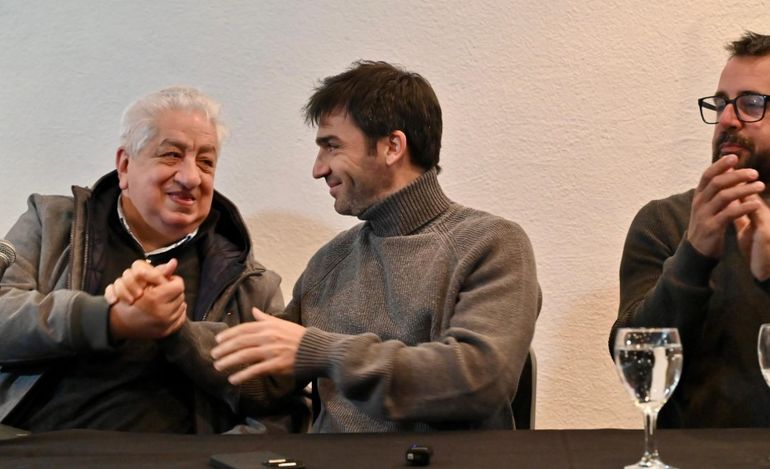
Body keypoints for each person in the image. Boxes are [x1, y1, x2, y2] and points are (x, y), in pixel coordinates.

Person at [212, 61, 541, 432]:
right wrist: (171, 330)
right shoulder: (331, 260)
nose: (318, 169)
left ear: (392, 147)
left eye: (332, 147)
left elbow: (478, 381)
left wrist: (323, 352)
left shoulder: (491, 243)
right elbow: (262, 383)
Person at [0, 87, 302, 434]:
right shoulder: (51, 223)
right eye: (172, 155)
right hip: (36, 446)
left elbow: (278, 404)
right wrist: (106, 320)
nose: (191, 177)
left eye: (206, 162)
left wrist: (178, 332)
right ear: (125, 166)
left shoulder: (252, 283)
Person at [611, 31, 770, 427]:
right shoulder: (664, 222)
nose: (727, 120)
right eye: (720, 105)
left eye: (751, 104)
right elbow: (638, 365)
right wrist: (694, 254)